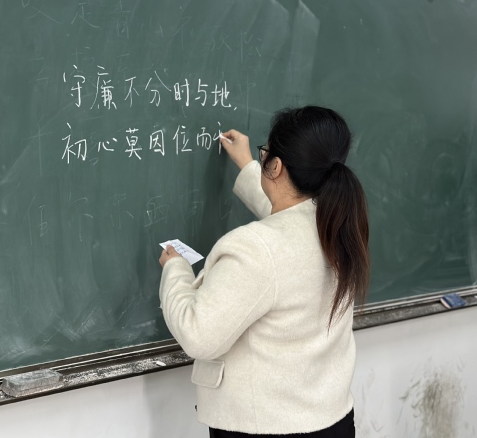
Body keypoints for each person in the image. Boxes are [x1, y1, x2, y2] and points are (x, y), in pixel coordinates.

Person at [158, 106, 370, 437]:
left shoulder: (256, 248)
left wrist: (176, 270)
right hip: (332, 421)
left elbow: (198, 335)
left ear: (277, 166)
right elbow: (289, 217)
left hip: (266, 429)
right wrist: (248, 165)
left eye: (265, 153)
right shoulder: (339, 227)